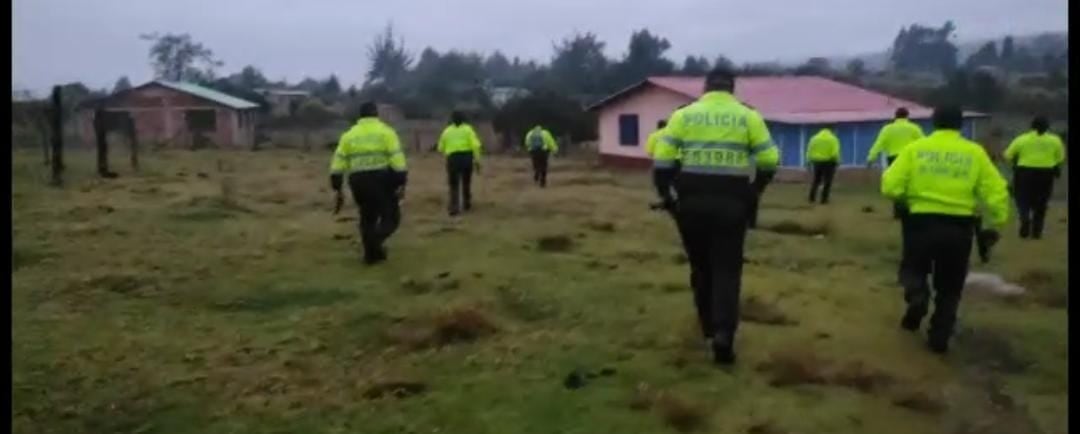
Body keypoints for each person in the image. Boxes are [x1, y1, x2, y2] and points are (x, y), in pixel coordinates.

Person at [660, 66, 780, 365]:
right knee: (727, 269)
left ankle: (708, 329)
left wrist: (669, 198)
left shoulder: (683, 115)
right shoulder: (747, 116)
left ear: (705, 87)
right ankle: (725, 334)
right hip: (732, 204)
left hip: (691, 203)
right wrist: (754, 192)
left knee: (701, 268)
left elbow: (662, 164)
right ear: (732, 88)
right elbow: (769, 160)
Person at [881, 105, 1009, 354]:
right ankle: (939, 337)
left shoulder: (915, 149)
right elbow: (996, 190)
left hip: (920, 223)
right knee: (950, 286)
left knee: (913, 269)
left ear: (934, 123)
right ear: (960, 124)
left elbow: (890, 185)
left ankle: (917, 297)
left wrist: (906, 199)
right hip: (959, 227)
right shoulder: (975, 153)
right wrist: (997, 221)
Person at [329, 102, 408, 265]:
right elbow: (396, 157)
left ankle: (371, 256)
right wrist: (401, 179)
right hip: (382, 178)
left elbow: (339, 160)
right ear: (376, 114)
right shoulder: (386, 132)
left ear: (360, 116)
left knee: (367, 218)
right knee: (391, 217)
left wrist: (337, 184)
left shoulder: (349, 135)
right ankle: (375, 243)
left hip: (358, 181)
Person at [1003, 116, 1066, 239]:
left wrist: (1015, 163)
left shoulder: (1021, 139)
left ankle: (1025, 218)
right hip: (1046, 173)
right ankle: (1037, 231)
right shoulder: (1055, 140)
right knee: (1041, 202)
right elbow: (1060, 158)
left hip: (1024, 172)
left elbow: (1007, 155)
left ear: (1031, 126)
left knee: (1022, 199)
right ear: (1048, 127)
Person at [867, 108, 926, 219]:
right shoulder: (914, 128)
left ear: (895, 116)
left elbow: (879, 143)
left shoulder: (888, 129)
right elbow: (923, 142)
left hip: (893, 158)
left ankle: (898, 212)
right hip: (910, 158)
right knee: (910, 184)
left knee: (896, 185)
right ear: (907, 116)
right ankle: (910, 210)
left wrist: (871, 157)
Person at [437, 111, 483, 216]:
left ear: (452, 120)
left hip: (453, 158)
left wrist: (447, 152)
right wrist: (477, 160)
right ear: (463, 119)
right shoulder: (468, 130)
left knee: (453, 184)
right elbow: (475, 145)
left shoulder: (447, 131)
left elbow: (440, 148)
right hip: (466, 157)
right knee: (466, 182)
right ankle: (467, 204)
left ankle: (454, 207)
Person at [805, 124, 841, 204]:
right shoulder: (833, 139)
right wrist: (837, 161)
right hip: (829, 162)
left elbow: (809, 150)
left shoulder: (814, 138)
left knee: (816, 180)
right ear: (830, 130)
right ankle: (824, 199)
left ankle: (812, 197)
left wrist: (808, 161)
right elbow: (835, 153)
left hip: (817, 162)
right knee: (827, 181)